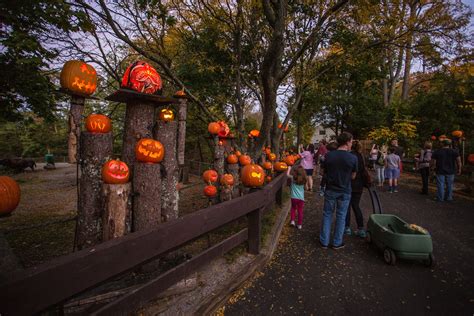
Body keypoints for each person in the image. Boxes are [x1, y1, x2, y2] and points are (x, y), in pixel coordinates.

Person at [319, 132, 357, 250]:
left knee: (327, 214)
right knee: (341, 216)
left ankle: (324, 241)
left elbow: (322, 172)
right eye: (351, 141)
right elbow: (353, 176)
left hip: (330, 189)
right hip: (345, 190)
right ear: (347, 142)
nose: (351, 144)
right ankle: (337, 242)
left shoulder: (329, 155)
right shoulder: (353, 158)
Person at [344, 141, 367, 238]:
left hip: (349, 184)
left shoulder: (349, 156)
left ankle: (347, 228)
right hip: (359, 185)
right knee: (356, 206)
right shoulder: (361, 157)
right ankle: (361, 228)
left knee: (347, 206)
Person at [286, 165, 307, 229]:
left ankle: (292, 221)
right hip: (301, 198)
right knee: (300, 211)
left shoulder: (293, 178)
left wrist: (289, 169)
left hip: (294, 198)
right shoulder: (304, 180)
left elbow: (287, 175)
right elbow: (305, 188)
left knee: (293, 208)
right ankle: (299, 225)